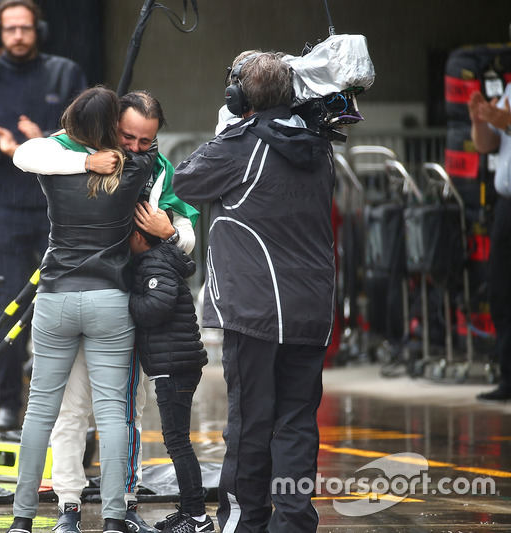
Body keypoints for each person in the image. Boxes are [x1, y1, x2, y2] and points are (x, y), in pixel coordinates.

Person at [18, 90, 199, 533]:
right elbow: (31, 152)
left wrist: (169, 230)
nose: (137, 147)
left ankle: (104, 505)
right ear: (110, 124)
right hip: (112, 303)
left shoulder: (156, 166)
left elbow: (189, 236)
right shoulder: (76, 149)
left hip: (103, 299)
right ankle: (78, 506)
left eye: (146, 140)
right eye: (128, 136)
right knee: (80, 411)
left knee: (104, 411)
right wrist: (88, 161)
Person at [172, 52, 335, 533]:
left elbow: (185, 179)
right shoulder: (320, 147)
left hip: (256, 312)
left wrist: (227, 128)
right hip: (311, 311)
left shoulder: (238, 146)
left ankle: (245, 524)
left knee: (251, 426)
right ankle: (295, 521)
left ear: (236, 97)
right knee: (298, 425)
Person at [0, 0, 86, 430]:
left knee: (69, 307)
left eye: (25, 28)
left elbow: (90, 137)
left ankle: (67, 407)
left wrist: (45, 142)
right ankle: (9, 402)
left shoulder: (65, 73)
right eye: (9, 29)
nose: (17, 36)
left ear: (38, 31)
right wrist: (5, 150)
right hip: (5, 212)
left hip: (61, 212)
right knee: (8, 308)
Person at [127, 215, 212, 533]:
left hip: (174, 366)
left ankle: (198, 518)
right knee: (176, 440)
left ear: (138, 237)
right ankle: (190, 509)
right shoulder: (157, 259)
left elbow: (156, 307)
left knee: (177, 441)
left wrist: (126, 300)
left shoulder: (154, 263)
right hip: (175, 363)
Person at [469, 88, 511, 401]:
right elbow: (488, 144)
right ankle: (508, 375)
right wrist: (480, 120)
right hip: (505, 204)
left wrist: (505, 120)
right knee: (501, 291)